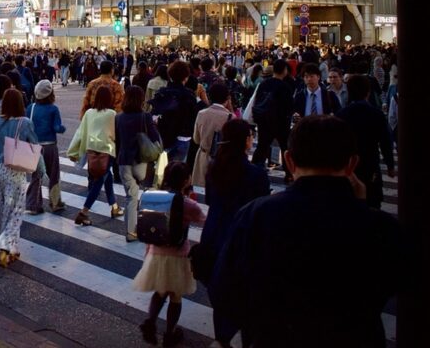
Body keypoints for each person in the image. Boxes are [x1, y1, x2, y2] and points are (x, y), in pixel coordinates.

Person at [212, 115, 403, 348]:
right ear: (352, 163)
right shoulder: (381, 228)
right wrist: (360, 208)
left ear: (289, 161)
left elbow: (225, 289)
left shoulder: (257, 215)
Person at [201, 119, 270, 348]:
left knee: (220, 289)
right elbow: (260, 208)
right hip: (243, 235)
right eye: (250, 136)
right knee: (246, 293)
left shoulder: (214, 167)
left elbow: (210, 200)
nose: (252, 140)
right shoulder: (256, 174)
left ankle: (222, 337)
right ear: (244, 140)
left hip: (214, 233)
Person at [134, 161, 206, 347]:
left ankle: (150, 322)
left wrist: (147, 252)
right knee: (175, 296)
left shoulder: (156, 199)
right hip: (178, 256)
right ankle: (169, 334)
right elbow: (204, 221)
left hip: (156, 254)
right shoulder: (188, 204)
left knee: (160, 291)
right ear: (185, 180)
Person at [0, 88, 41, 266]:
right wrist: (40, 169)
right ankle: (6, 245)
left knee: (2, 210)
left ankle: (11, 248)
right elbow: (35, 146)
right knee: (16, 212)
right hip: (15, 171)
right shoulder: (25, 123)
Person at [337, 75, 395, 209]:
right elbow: (385, 141)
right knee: (372, 201)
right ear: (368, 92)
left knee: (349, 203)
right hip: (370, 162)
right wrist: (390, 164)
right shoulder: (376, 114)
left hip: (348, 165)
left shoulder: (342, 114)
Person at [68, 85, 124, 226]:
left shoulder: (89, 113)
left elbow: (80, 132)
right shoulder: (112, 114)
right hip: (107, 151)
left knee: (106, 177)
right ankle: (84, 212)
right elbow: (116, 134)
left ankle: (115, 207)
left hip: (92, 150)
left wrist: (73, 151)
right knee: (100, 181)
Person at [115, 86, 161, 242]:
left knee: (130, 197)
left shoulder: (118, 117)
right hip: (140, 161)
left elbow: (117, 141)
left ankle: (130, 232)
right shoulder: (145, 117)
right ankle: (150, 225)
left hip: (123, 160)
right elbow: (155, 138)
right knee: (150, 189)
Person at [25, 80, 66, 215]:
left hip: (34, 146)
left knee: (37, 176)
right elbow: (57, 127)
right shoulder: (53, 109)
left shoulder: (31, 108)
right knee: (53, 175)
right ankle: (55, 202)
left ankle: (33, 204)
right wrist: (62, 128)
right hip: (49, 146)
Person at [250, 60, 294, 180]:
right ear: (285, 70)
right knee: (285, 147)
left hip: (264, 121)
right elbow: (289, 106)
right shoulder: (284, 86)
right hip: (281, 122)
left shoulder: (264, 84)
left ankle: (254, 171)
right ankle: (289, 173)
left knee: (262, 146)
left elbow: (257, 102)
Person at [191, 83, 234, 189]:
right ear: (227, 98)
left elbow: (196, 139)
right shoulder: (230, 117)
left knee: (201, 190)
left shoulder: (201, 113)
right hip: (223, 160)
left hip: (203, 156)